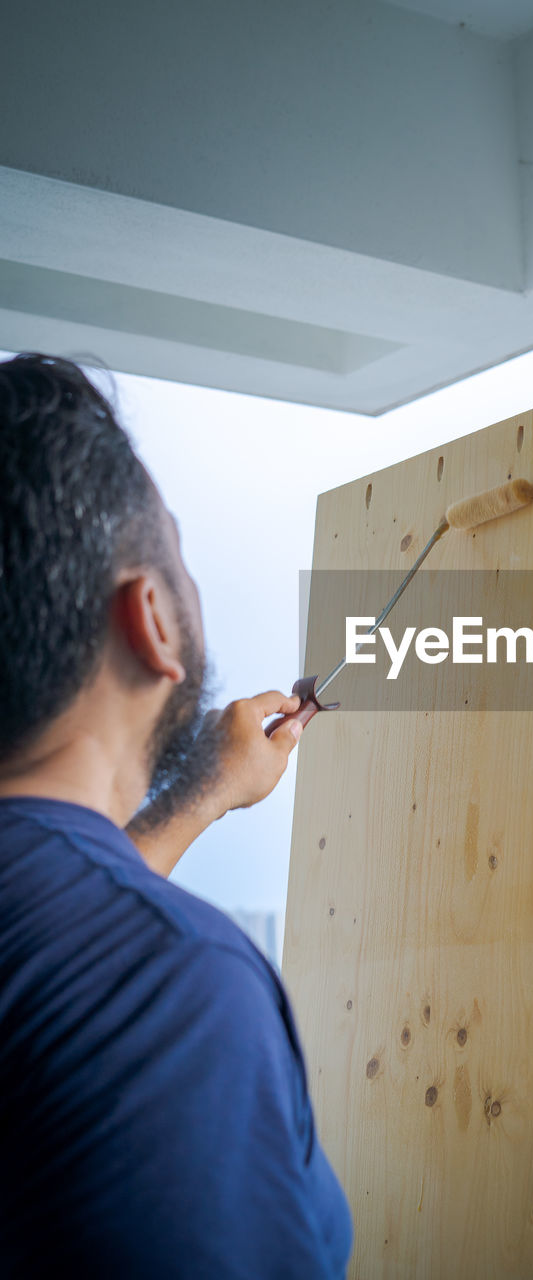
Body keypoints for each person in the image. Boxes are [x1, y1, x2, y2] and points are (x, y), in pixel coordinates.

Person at [0, 354, 353, 1277]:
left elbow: (52, 926)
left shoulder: (80, 945)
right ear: (152, 619)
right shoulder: (178, 994)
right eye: (183, 560)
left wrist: (195, 796)